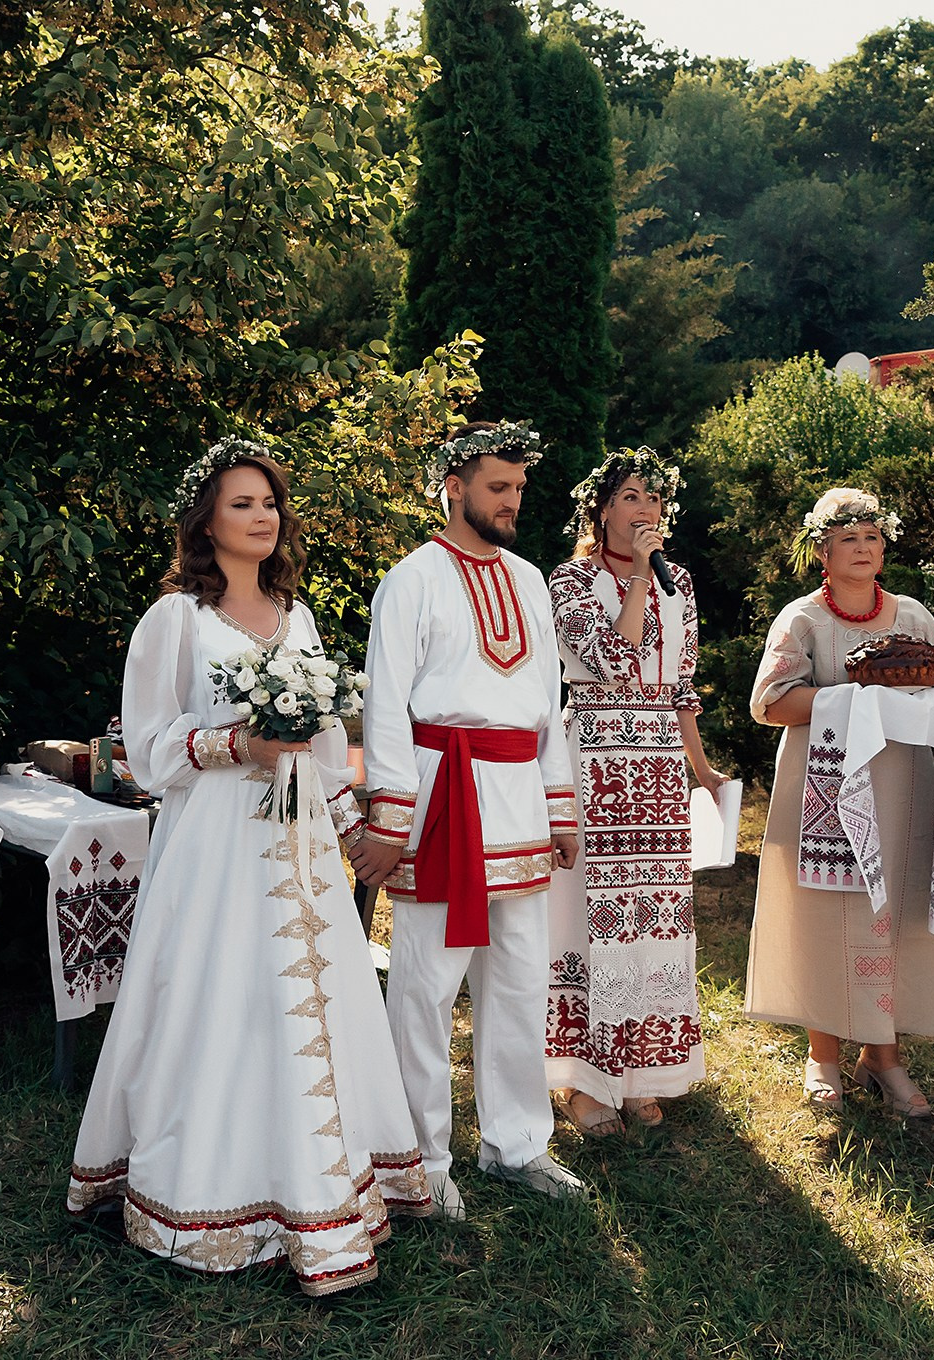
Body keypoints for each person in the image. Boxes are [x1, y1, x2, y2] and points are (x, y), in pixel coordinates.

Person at [67, 438, 429, 1295]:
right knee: (222, 993)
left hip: (301, 843)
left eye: (269, 503)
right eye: (241, 504)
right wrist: (238, 746)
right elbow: (146, 749)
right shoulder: (174, 620)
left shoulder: (296, 615)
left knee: (307, 995)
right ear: (206, 522)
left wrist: (353, 827)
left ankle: (319, 1180)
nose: (261, 517)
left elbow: (327, 742)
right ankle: (207, 1192)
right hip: (216, 843)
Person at [351, 420, 586, 1217]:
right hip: (442, 793)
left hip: (518, 797)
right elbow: (386, 707)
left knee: (519, 979)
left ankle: (517, 1146)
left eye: (519, 487)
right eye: (497, 487)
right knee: (425, 984)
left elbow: (547, 703)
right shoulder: (410, 579)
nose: (512, 500)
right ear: (454, 487)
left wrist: (559, 806)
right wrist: (390, 819)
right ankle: (415, 1161)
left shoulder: (528, 579)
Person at [745, 487, 934, 1118]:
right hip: (825, 785)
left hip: (900, 784)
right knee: (829, 913)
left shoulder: (912, 617)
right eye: (849, 539)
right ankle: (822, 1056)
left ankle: (882, 1056)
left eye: (873, 537)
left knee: (893, 911)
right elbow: (769, 703)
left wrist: (909, 695)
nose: (863, 548)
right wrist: (856, 697)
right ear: (822, 551)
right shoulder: (803, 620)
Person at [544, 448, 726, 1136]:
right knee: (589, 916)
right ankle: (584, 1081)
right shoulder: (569, 579)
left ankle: (641, 1073)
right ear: (601, 509)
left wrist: (702, 770)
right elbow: (613, 662)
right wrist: (642, 583)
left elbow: (680, 684)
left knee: (652, 921)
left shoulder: (681, 580)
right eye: (629, 496)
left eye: (653, 497)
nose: (645, 509)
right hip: (594, 754)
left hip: (658, 768)